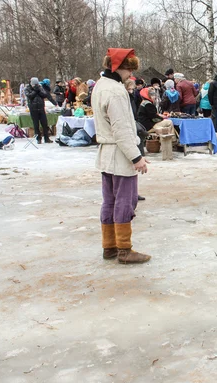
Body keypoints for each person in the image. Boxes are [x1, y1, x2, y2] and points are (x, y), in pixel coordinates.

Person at [92, 47, 151, 264]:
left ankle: (110, 247)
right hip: (118, 153)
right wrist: (136, 157)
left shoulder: (101, 86)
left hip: (108, 153)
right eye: (128, 70)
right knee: (124, 201)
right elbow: (122, 129)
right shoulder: (115, 91)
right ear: (120, 68)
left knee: (110, 201)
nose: (130, 75)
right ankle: (124, 249)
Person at [25, 77, 56, 144]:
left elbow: (45, 95)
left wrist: (39, 90)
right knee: (36, 125)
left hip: (41, 108)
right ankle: (38, 139)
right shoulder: (27, 88)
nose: (35, 85)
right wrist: (35, 91)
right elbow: (30, 96)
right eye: (34, 84)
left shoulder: (40, 87)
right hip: (33, 109)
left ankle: (46, 138)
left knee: (45, 124)